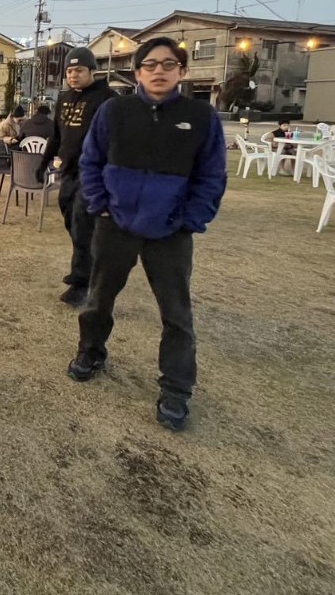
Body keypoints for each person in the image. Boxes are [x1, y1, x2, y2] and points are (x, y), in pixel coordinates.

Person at [69, 37, 228, 433]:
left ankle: (176, 389)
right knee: (98, 299)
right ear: (137, 72)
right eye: (150, 65)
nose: (159, 71)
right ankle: (90, 352)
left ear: (182, 71)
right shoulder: (115, 111)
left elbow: (211, 175)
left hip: (170, 232)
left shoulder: (200, 116)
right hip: (115, 225)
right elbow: (91, 161)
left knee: (176, 314)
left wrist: (191, 219)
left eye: (168, 64)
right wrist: (100, 204)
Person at [53, 48, 118, 306]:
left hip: (93, 174)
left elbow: (114, 140)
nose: (73, 75)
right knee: (70, 219)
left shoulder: (107, 99)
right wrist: (46, 161)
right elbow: (57, 134)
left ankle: (82, 283)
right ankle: (86, 264)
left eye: (79, 70)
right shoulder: (64, 98)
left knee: (82, 224)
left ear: (92, 71)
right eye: (69, 71)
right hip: (68, 171)